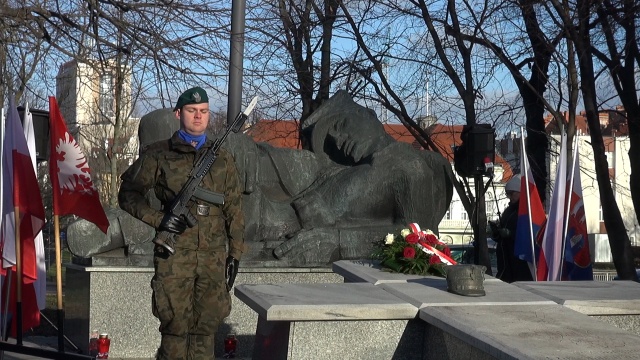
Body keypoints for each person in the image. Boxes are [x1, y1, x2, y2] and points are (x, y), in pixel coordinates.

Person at [118, 86, 245, 359]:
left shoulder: (223, 159)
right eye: (191, 111)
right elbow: (128, 194)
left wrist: (235, 253)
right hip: (175, 254)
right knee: (175, 329)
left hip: (212, 257)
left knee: (206, 329)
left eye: (203, 111)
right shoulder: (159, 154)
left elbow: (234, 208)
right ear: (179, 113)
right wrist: (159, 219)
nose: (198, 117)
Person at [489, 175, 533, 283]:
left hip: (519, 261)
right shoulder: (508, 211)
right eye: (508, 194)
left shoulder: (526, 210)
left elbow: (529, 234)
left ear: (520, 192)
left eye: (512, 193)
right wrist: (496, 233)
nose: (510, 197)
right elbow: (503, 230)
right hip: (505, 258)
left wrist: (510, 234)